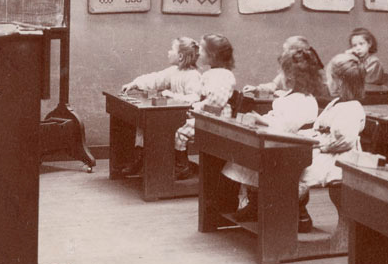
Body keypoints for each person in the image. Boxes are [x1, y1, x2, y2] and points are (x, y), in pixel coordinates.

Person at [226, 44, 323, 224]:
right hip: (284, 142)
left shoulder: (304, 100)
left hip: (295, 148)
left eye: (282, 72)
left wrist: (264, 122)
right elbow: (277, 118)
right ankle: (255, 203)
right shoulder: (289, 95)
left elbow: (286, 127)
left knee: (259, 161)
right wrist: (260, 118)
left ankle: (299, 212)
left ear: (292, 77)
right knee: (247, 160)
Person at [298, 55, 367, 232]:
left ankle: (299, 215)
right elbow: (321, 126)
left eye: (330, 79)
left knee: (298, 170)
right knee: (294, 163)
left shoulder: (352, 108)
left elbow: (345, 140)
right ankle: (298, 213)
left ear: (340, 83)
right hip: (326, 151)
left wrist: (323, 146)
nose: (327, 83)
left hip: (338, 159)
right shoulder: (337, 102)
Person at [119, 36, 202, 176]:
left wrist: (172, 96)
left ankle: (181, 165)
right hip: (172, 114)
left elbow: (194, 99)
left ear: (180, 56)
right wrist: (135, 84)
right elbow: (156, 79)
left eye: (172, 49)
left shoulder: (193, 76)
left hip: (186, 116)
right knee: (143, 122)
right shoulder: (174, 71)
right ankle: (140, 157)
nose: (168, 52)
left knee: (170, 129)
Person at [172, 34, 236, 181]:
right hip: (208, 116)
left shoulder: (224, 76)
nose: (199, 52)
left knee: (180, 133)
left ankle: (183, 166)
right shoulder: (210, 73)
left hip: (217, 119)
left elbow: (216, 102)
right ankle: (183, 163)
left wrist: (198, 107)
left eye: (202, 49)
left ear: (212, 56)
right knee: (178, 127)